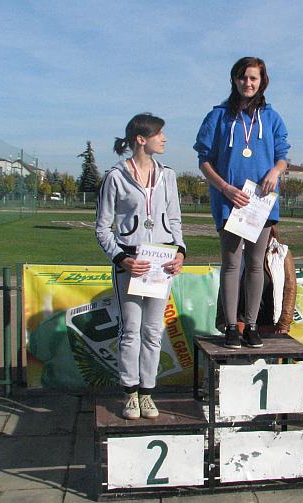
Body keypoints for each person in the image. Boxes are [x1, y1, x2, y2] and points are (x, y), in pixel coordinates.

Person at [194, 56, 290, 349]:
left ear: (262, 82)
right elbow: (204, 160)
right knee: (232, 264)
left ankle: (251, 325)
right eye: (242, 77)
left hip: (261, 202)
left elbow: (283, 156)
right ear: (234, 80)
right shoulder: (218, 116)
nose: (248, 83)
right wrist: (225, 188)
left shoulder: (272, 117)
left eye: (253, 78)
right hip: (230, 201)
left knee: (256, 264)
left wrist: (275, 171)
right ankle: (231, 326)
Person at [96, 113, 186, 420]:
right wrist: (121, 259)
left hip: (162, 265)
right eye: (159, 134)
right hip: (131, 265)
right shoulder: (115, 177)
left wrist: (180, 252)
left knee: (153, 331)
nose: (164, 139)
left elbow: (174, 220)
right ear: (141, 139)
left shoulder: (168, 176)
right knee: (130, 331)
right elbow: (102, 228)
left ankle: (147, 393)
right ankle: (130, 394)